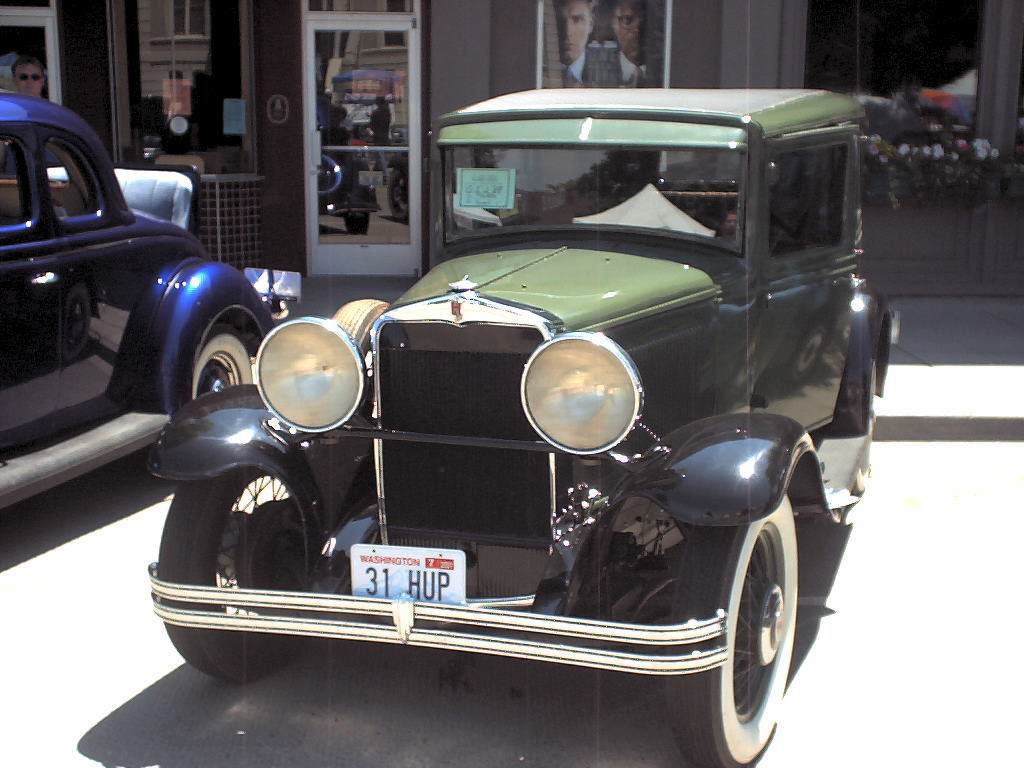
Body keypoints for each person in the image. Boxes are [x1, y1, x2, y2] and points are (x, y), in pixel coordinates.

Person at [555, 0, 618, 87]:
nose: (568, 32)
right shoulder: (539, 68)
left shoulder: (613, 72)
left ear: (591, 24)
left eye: (577, 20)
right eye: (560, 20)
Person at [610, 0, 647, 86]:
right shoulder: (599, 71)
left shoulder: (664, 71)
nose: (637, 29)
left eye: (644, 21)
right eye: (627, 20)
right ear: (613, 23)